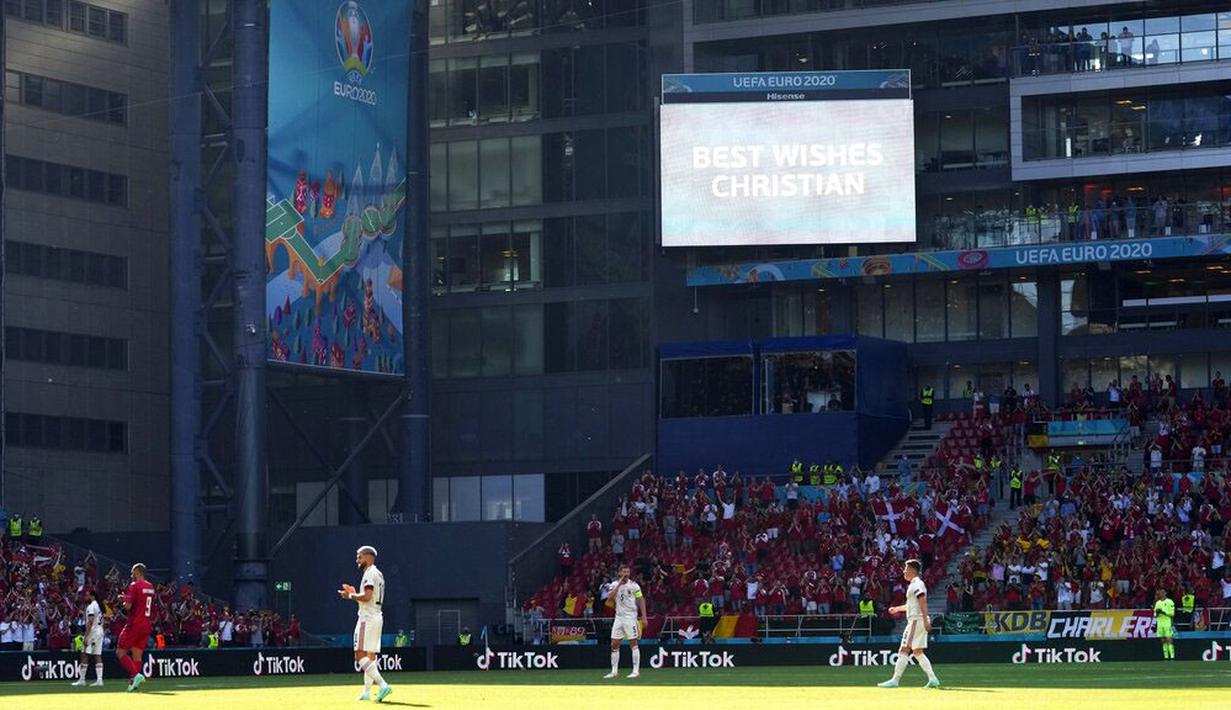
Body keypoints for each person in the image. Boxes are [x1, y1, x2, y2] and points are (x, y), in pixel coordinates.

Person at [339, 545, 392, 702]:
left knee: (359, 654)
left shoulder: (369, 573)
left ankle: (383, 685)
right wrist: (355, 592)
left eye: (359, 556)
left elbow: (367, 596)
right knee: (370, 655)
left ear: (368, 557)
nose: (357, 560)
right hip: (376, 616)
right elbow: (369, 597)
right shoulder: (378, 574)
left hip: (367, 619)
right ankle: (367, 692)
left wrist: (350, 596)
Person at [877, 559, 940, 689]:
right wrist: (897, 609)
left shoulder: (917, 584)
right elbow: (912, 605)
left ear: (912, 569)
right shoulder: (915, 584)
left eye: (906, 568)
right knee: (917, 652)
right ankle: (933, 679)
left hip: (916, 620)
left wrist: (925, 619)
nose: (904, 571)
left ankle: (895, 680)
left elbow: (923, 601)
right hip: (918, 619)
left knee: (904, 649)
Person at [604, 563, 648, 679]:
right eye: (623, 572)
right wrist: (619, 584)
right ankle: (614, 672)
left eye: (627, 572)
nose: (625, 574)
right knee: (614, 644)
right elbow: (610, 597)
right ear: (619, 573)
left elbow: (641, 599)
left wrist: (644, 617)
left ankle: (636, 671)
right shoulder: (614, 584)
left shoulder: (634, 585)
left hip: (630, 616)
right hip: (618, 616)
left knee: (633, 643)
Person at [116, 563, 155, 692]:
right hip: (147, 624)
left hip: (135, 623)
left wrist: (123, 600)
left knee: (120, 652)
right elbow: (142, 602)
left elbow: (128, 606)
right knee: (137, 655)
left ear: (138, 572)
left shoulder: (134, 585)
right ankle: (133, 683)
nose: (131, 575)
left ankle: (136, 675)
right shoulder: (150, 586)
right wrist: (127, 598)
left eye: (133, 572)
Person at [71, 589, 105, 687]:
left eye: (87, 595)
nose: (85, 597)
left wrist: (86, 636)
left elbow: (90, 621)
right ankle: (99, 680)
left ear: (92, 596)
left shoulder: (91, 606)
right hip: (100, 631)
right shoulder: (99, 606)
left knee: (84, 654)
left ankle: (82, 679)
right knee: (97, 654)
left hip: (93, 632)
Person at [1153, 588, 1175, 660]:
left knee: (1169, 638)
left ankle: (1172, 656)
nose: (1161, 594)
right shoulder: (1158, 603)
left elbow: (1172, 613)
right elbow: (1155, 614)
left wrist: (1164, 612)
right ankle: (1165, 656)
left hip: (1167, 622)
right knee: (1162, 639)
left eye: (1163, 592)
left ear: (1165, 593)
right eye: (1160, 592)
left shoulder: (1170, 602)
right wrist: (1157, 613)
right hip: (1160, 623)